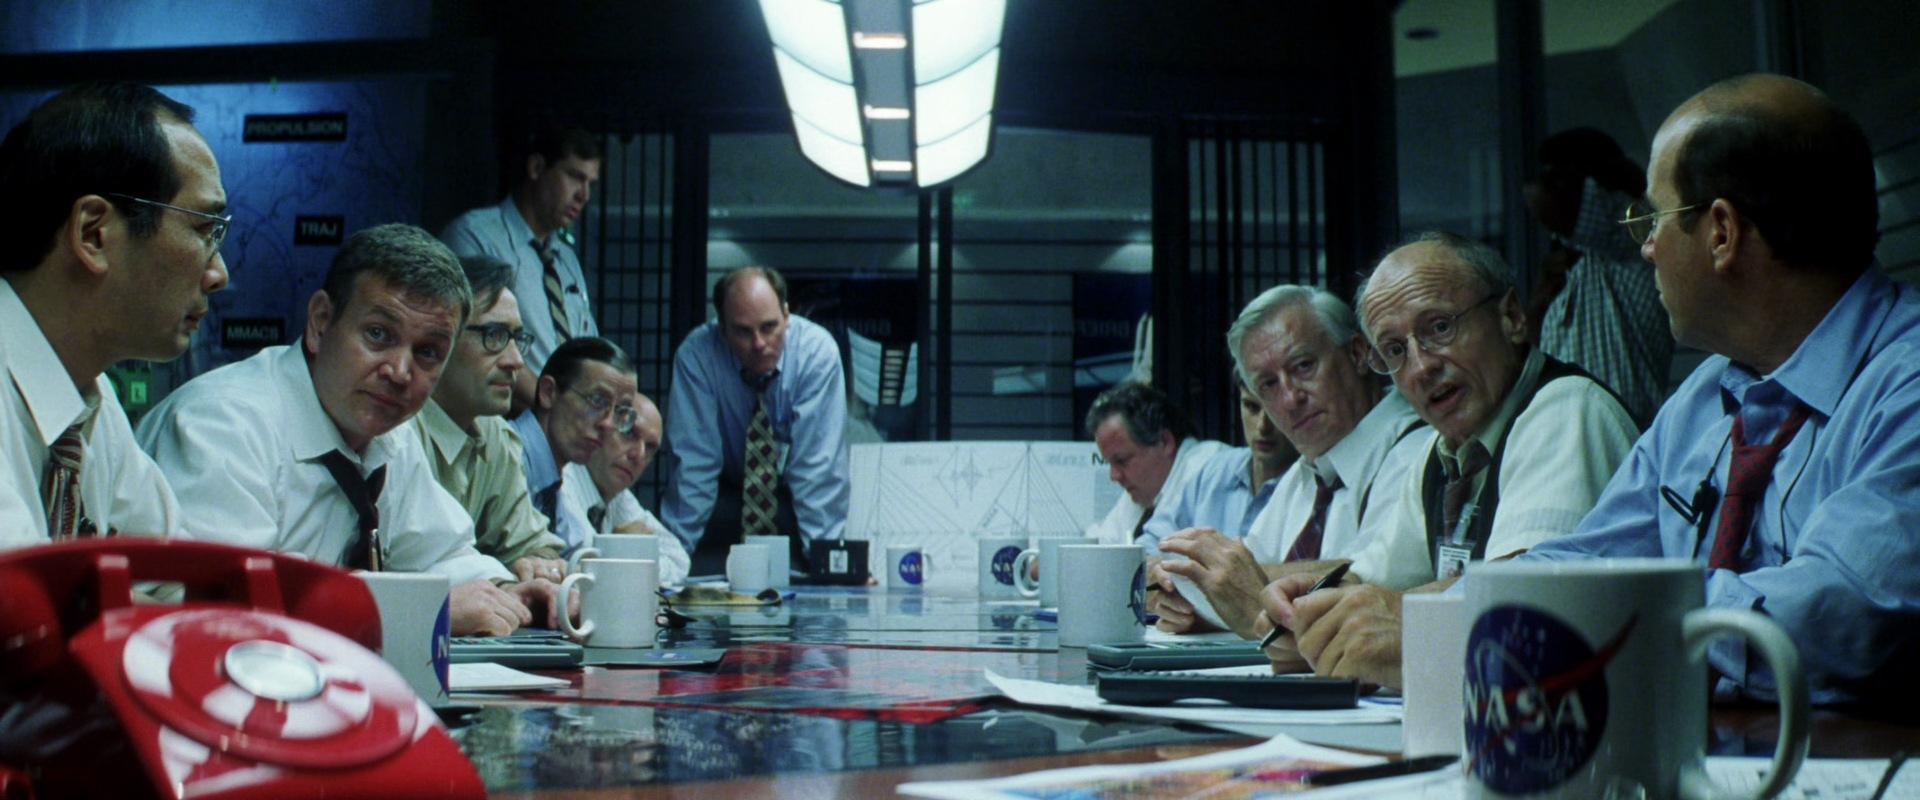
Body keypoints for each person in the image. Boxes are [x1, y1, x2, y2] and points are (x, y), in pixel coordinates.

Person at [138, 224, 561, 636]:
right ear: (321, 322)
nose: (400, 372)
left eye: (428, 352)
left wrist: (506, 590)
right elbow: (225, 606)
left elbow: (441, 554)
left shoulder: (390, 434)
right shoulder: (223, 422)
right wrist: (425, 611)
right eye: (378, 335)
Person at [1338, 231, 1639, 591]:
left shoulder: (1568, 409)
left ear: (1511, 316)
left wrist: (1394, 611)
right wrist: (1307, 597)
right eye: (1395, 350)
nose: (1420, 368)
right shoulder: (1443, 452)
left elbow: (1522, 593)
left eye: (1440, 327)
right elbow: (1372, 581)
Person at [0, 83, 228, 548]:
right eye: (204, 229)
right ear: (95, 234)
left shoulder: (89, 398)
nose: (218, 275)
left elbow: (177, 571)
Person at [1154, 285, 1429, 637]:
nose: (1289, 399)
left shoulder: (1418, 450)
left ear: (1359, 353)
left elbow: (1373, 582)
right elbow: (1247, 571)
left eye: (1303, 366)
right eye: (1268, 385)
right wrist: (1199, 603)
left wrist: (1225, 584)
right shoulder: (1307, 472)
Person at [661, 266, 850, 576]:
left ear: (787, 315)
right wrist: (670, 561)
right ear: (722, 328)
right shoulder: (697, 355)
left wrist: (828, 565)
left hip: (790, 499)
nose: (760, 343)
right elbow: (694, 465)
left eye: (769, 327)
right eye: (743, 331)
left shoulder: (816, 353)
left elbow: (817, 469)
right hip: (721, 498)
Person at [413, 254, 569, 582]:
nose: (515, 361)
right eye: (494, 335)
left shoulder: (493, 432)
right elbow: (411, 564)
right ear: (439, 341)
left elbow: (534, 545)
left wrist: (537, 564)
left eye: (517, 339)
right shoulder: (397, 426)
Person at [440, 124, 602, 412]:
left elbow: (589, 346)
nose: (584, 195)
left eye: (591, 183)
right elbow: (479, 342)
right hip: (506, 419)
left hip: (569, 421)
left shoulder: (566, 260)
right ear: (537, 167)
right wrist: (554, 408)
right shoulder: (476, 235)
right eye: (575, 177)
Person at [1524, 127, 1673, 424]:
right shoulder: (1571, 269)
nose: (1552, 185)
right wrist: (1540, 300)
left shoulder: (1634, 244)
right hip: (1562, 438)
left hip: (1623, 443)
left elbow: (1541, 196)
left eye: (1561, 177)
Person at [511, 335, 639, 560]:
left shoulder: (556, 475)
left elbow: (575, 551)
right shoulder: (507, 454)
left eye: (621, 412)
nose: (609, 425)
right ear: (548, 392)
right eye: (597, 401)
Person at [1136, 382, 1297, 558]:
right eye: (1252, 406)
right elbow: (1149, 544)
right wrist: (1156, 565)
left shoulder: (1309, 484)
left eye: (1275, 409)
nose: (1262, 426)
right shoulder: (1215, 471)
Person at [561, 392, 693, 585]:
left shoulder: (619, 496)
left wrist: (625, 558)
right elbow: (584, 567)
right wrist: (622, 551)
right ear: (600, 428)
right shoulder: (564, 479)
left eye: (650, 447)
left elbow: (678, 560)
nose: (639, 455)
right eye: (629, 433)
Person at [1082, 381, 1228, 546]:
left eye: (1121, 461)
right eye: (1109, 463)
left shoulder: (1211, 470)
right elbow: (1103, 541)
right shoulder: (1146, 488)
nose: (1114, 476)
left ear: (1165, 442)